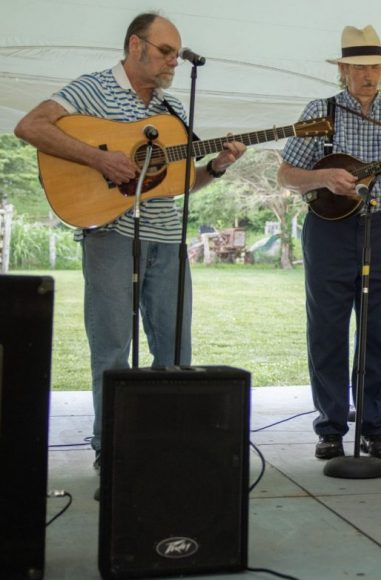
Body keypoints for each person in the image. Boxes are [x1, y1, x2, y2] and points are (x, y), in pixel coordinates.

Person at [13, 12, 246, 471]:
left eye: (178, 54)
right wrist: (99, 161)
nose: (174, 62)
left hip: (167, 239)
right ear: (135, 46)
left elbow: (178, 182)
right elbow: (31, 126)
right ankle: (112, 448)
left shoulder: (173, 111)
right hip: (110, 235)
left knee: (176, 349)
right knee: (113, 346)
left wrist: (216, 168)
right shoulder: (93, 88)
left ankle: (171, 443)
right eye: (166, 52)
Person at [277, 25, 381, 461]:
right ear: (343, 70)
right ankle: (331, 427)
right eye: (359, 67)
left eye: (375, 66)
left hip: (380, 226)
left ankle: (375, 427)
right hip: (328, 231)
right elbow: (286, 175)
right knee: (327, 330)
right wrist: (324, 177)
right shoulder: (320, 112)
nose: (368, 75)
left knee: (378, 332)